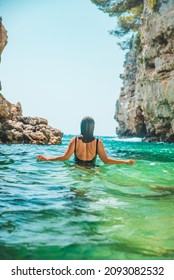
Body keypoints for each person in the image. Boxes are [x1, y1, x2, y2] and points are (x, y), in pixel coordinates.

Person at [37, 116, 135, 166]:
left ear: (81, 126)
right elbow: (106, 161)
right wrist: (125, 161)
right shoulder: (98, 142)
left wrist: (47, 159)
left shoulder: (74, 141)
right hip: (92, 170)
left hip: (77, 169)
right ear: (93, 127)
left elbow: (64, 158)